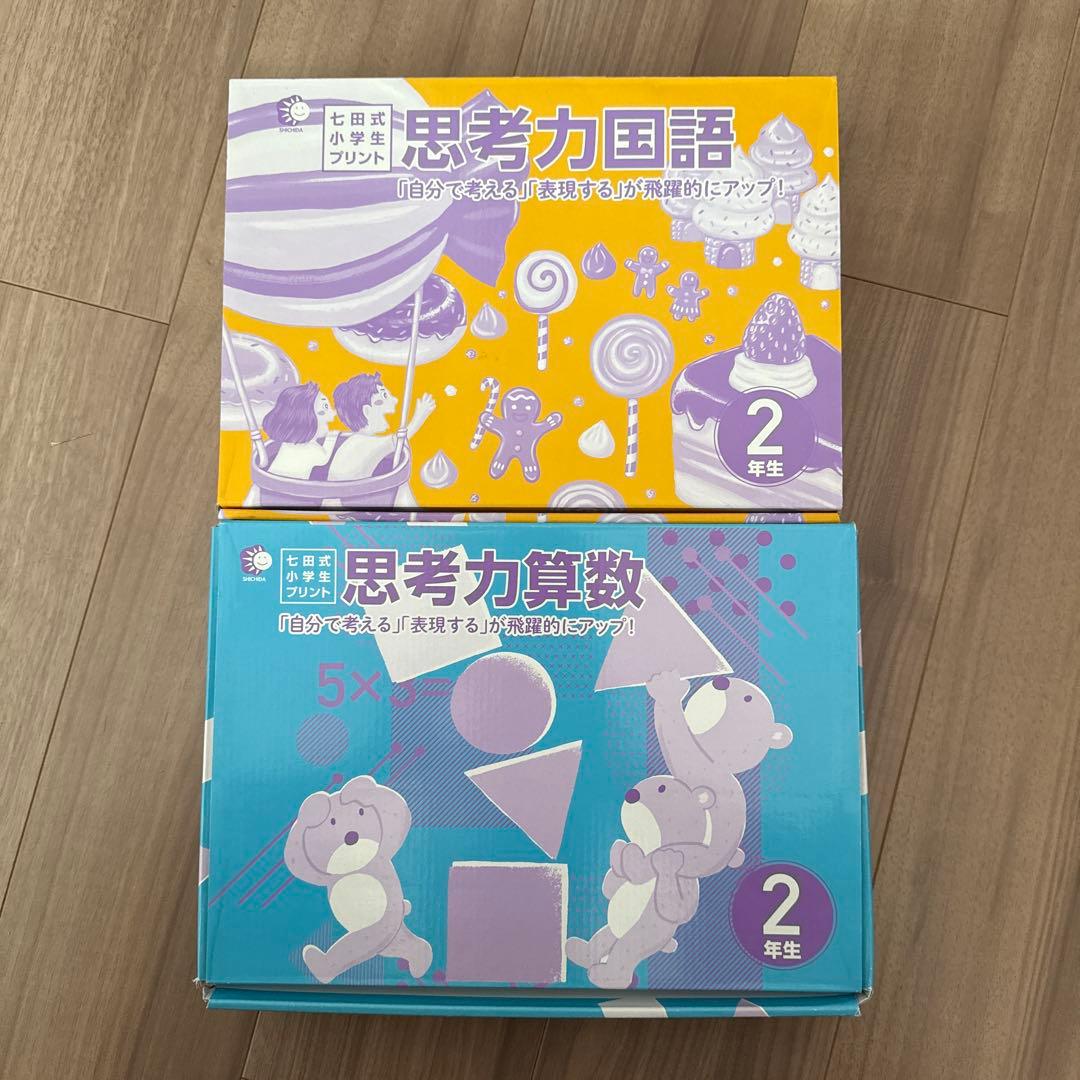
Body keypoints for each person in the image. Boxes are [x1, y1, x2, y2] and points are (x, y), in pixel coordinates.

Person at [328, 373, 436, 483]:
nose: (395, 400)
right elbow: (400, 439)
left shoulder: (353, 440)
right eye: (384, 397)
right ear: (367, 411)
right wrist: (420, 415)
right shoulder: (366, 443)